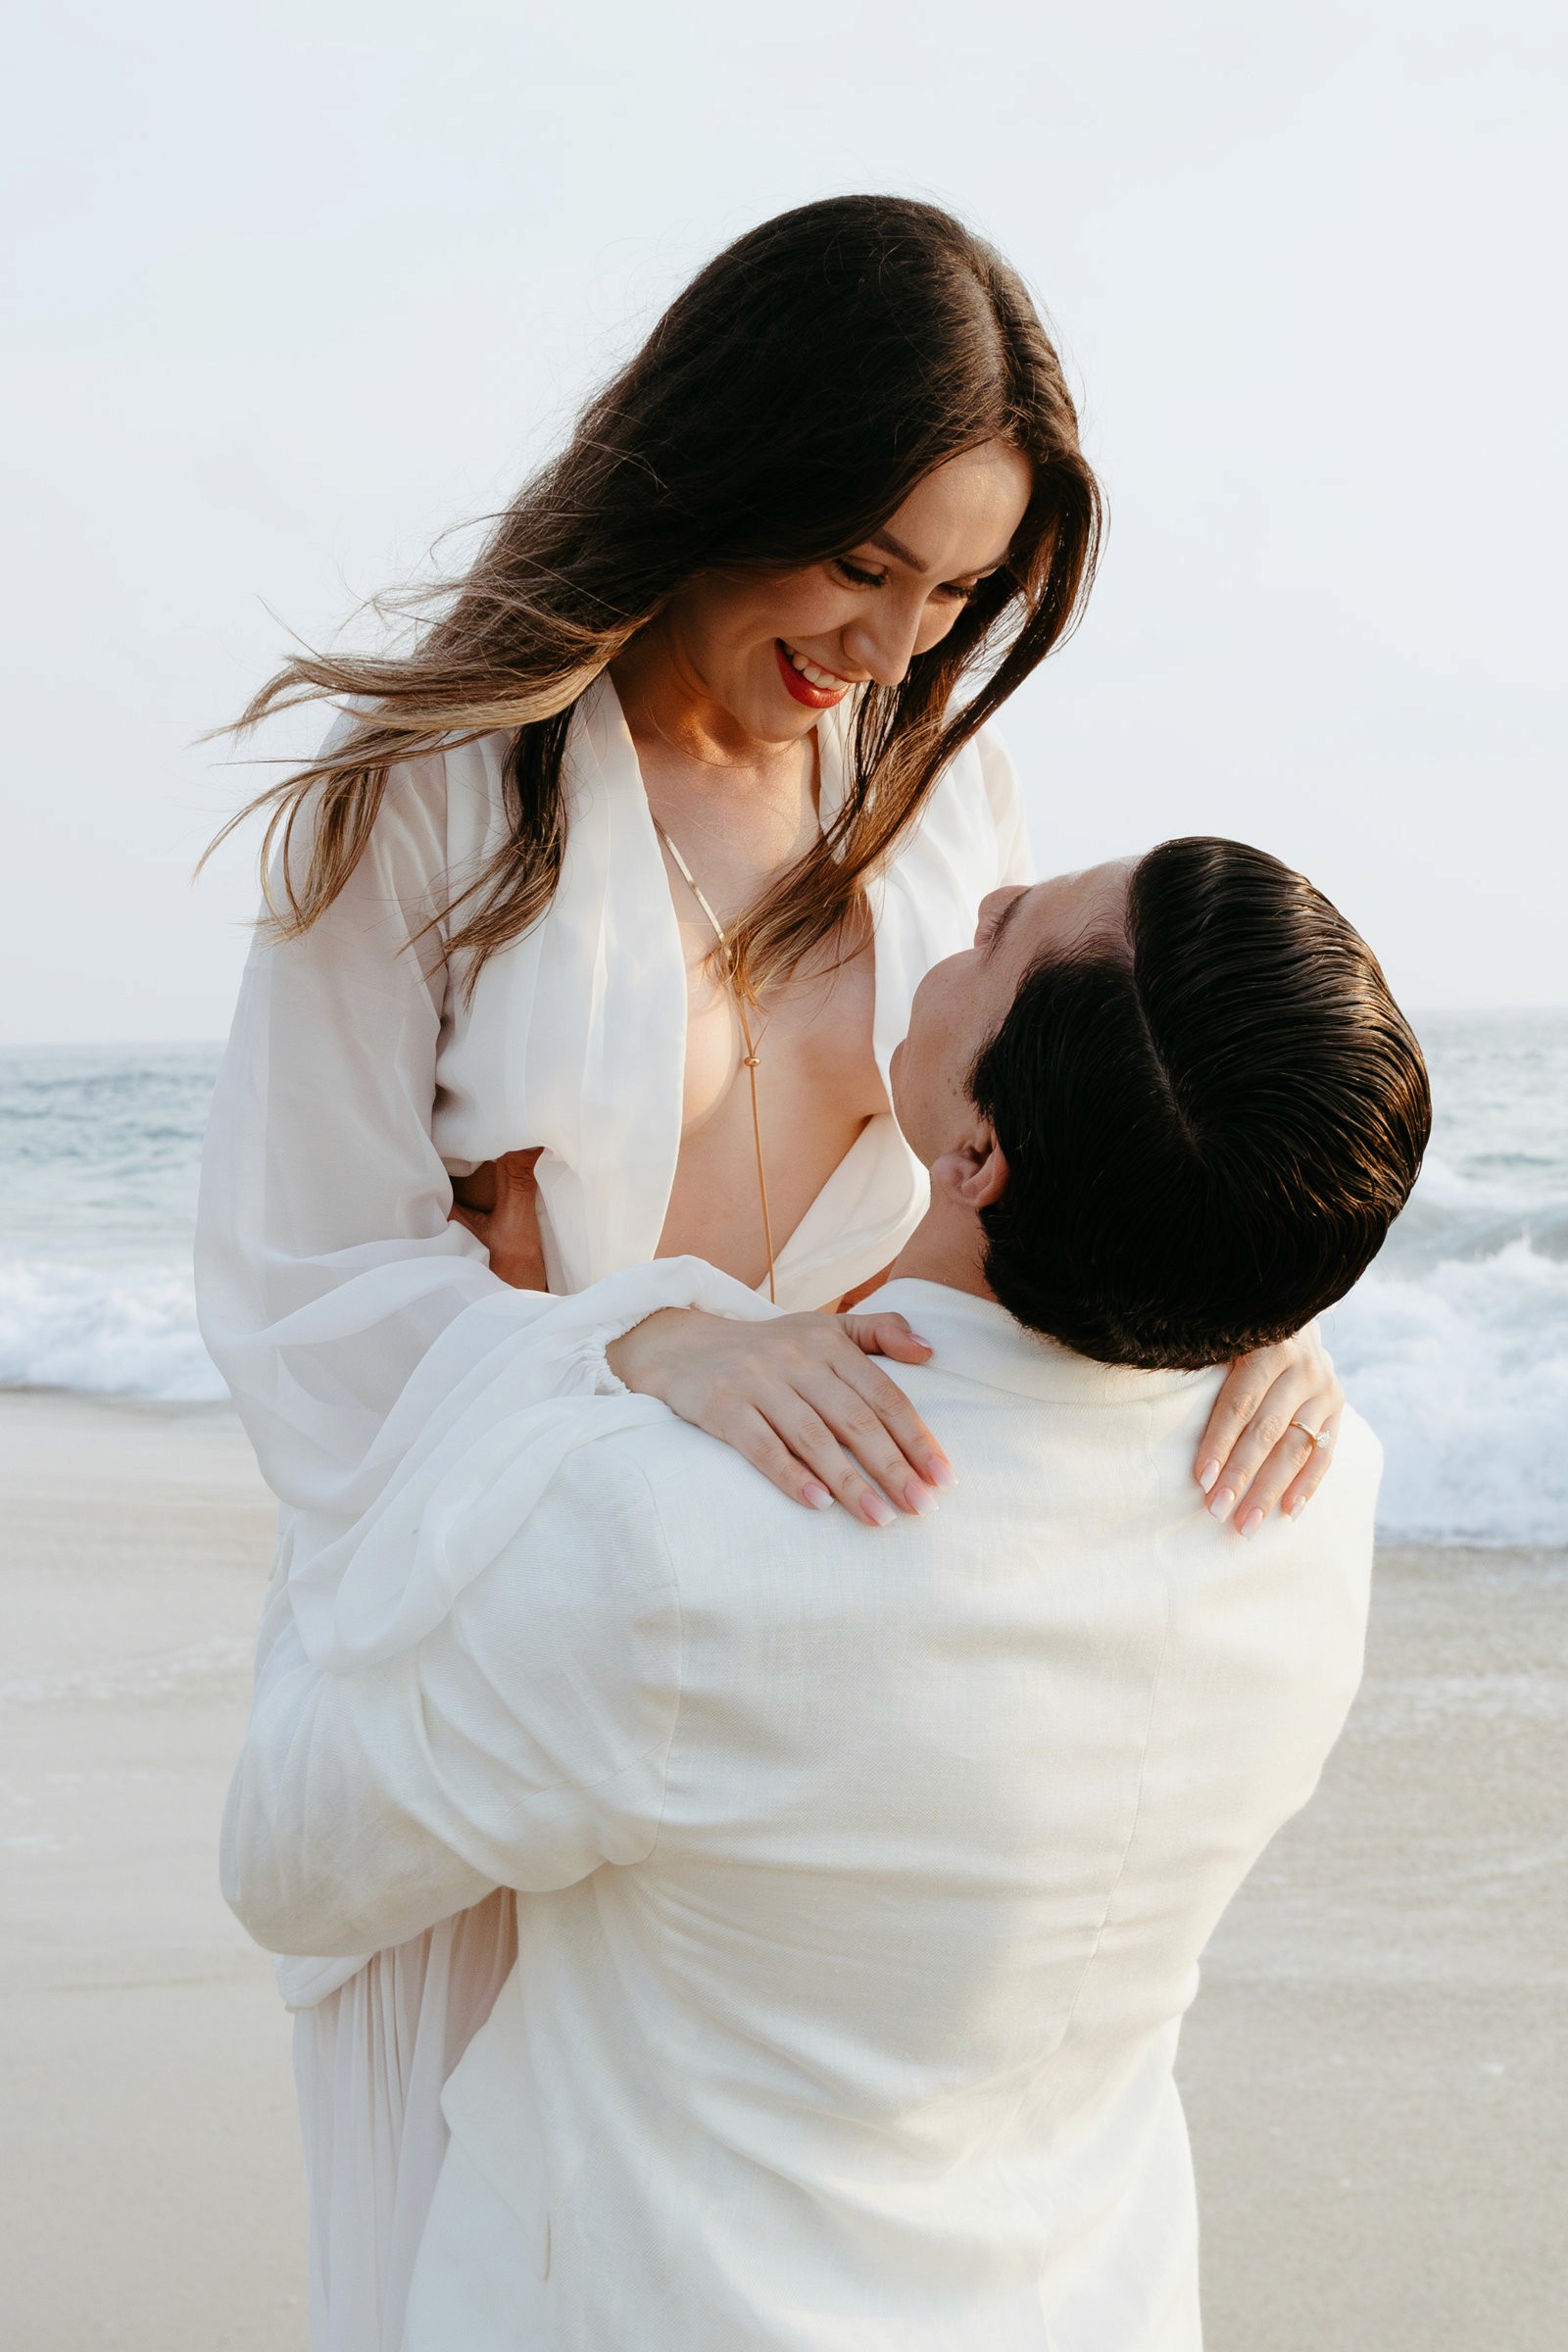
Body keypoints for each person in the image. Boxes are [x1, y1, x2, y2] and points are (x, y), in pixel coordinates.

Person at [198, 197, 1341, 2344]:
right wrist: (636, 1345)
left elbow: (1050, 1154)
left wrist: (1243, 1324)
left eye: (955, 593)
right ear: (725, 467)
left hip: (821, 1678)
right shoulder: (429, 803)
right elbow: (297, 1291)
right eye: (858, 563)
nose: (889, 644)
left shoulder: (940, 799)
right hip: (519, 1637)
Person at [222, 837, 1430, 2350]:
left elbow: (288, 1860)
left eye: (1007, 935)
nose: (982, 894)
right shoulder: (1317, 1491)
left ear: (979, 1156)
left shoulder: (668, 1541)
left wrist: (516, 1372)